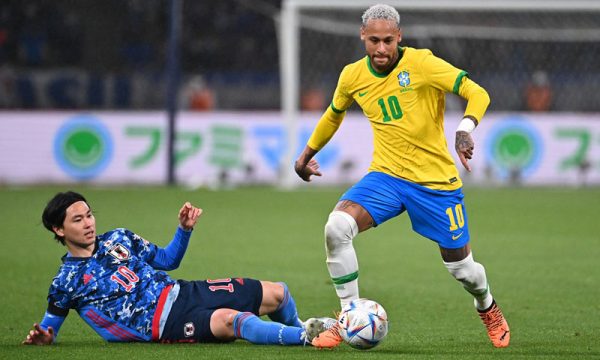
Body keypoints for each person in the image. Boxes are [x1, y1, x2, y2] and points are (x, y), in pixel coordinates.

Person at [294, 4, 510, 349]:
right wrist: (305, 156)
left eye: (388, 41)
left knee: (463, 270)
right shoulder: (352, 76)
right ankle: (348, 315)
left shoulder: (422, 64)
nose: (381, 49)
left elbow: (477, 92)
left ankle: (487, 306)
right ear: (362, 36)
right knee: (337, 227)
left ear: (400, 37)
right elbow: (334, 115)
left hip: (435, 184)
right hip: (387, 177)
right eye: (374, 41)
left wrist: (465, 128)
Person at [23, 191, 334, 346]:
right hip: (162, 324)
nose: (88, 223)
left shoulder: (119, 237)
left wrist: (183, 230)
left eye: (89, 215)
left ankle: (301, 325)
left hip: (182, 291)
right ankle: (306, 339)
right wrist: (44, 337)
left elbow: (168, 261)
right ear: (58, 230)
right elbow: (50, 327)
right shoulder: (66, 281)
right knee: (234, 320)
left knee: (278, 292)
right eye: (78, 220)